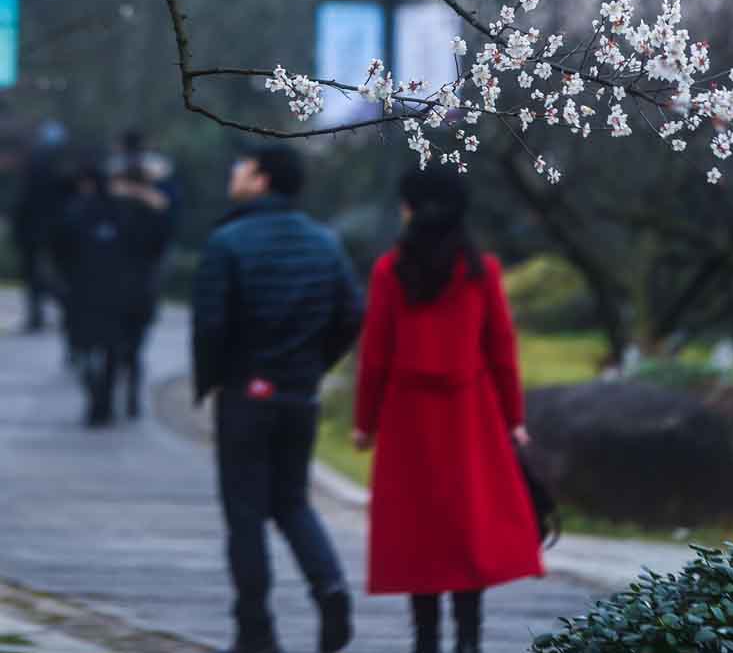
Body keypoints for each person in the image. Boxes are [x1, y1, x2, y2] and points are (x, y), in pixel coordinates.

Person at [352, 168, 543, 653]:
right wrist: (513, 419)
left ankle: (425, 641)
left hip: (408, 420)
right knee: (467, 530)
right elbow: (501, 350)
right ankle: (468, 641)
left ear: (411, 209)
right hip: (470, 417)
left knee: (418, 531)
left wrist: (364, 423)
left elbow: (375, 356)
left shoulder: (390, 271)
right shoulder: (482, 272)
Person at [192, 143, 363, 653]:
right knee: (292, 503)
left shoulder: (227, 242)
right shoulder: (325, 243)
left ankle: (255, 630)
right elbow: (351, 314)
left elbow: (210, 325)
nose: (234, 173)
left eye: (242, 167)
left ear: (261, 180)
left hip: (246, 394)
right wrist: (313, 367)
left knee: (245, 515)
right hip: (298, 394)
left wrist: (214, 380)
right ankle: (330, 588)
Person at [61, 151, 172, 425]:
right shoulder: (96, 209)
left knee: (119, 347)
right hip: (110, 291)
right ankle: (108, 397)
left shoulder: (142, 209)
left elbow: (156, 245)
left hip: (123, 292)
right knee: (111, 348)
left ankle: (112, 397)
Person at [11, 119, 71, 332]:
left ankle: (41, 315)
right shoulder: (62, 164)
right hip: (54, 228)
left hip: (34, 228)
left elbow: (25, 199)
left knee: (35, 274)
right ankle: (61, 309)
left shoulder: (37, 162)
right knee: (48, 273)